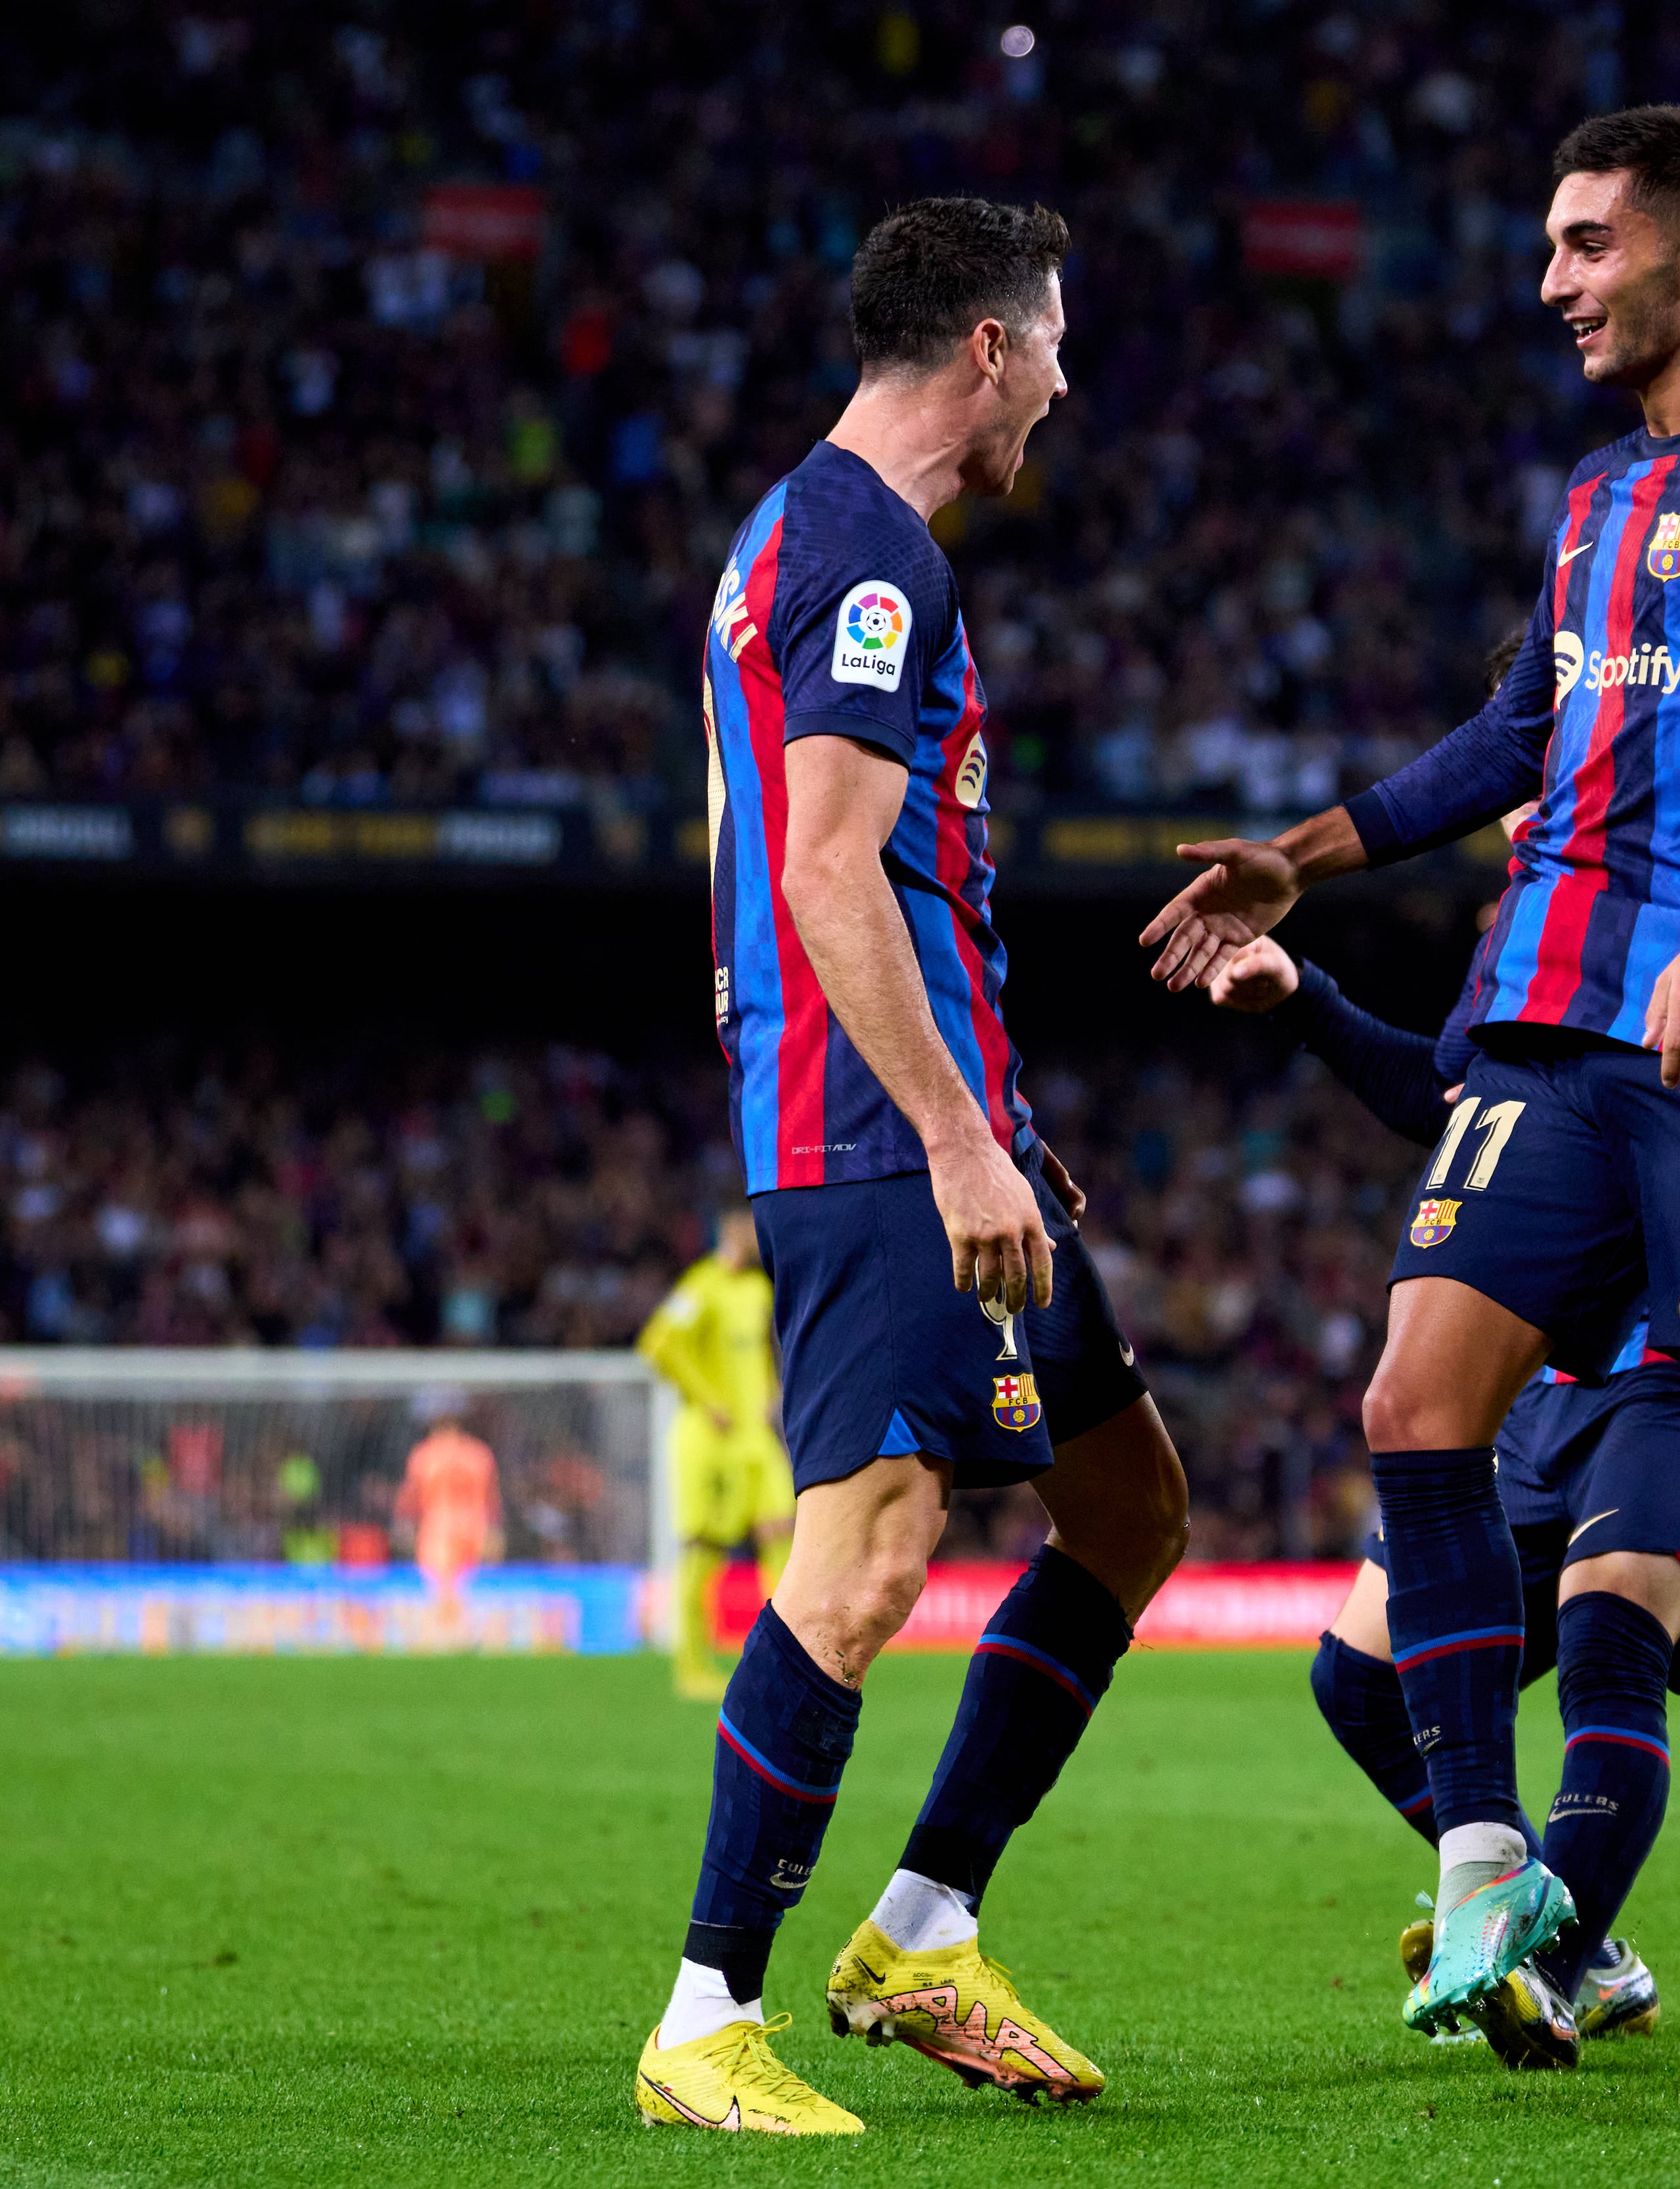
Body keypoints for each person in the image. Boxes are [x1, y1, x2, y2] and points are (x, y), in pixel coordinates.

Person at [1139, 104, 1680, 2113]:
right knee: (1413, 1404)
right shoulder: (1590, 495)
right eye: (1552, 245)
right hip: (1538, 1025)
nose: (1553, 281)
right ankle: (1488, 1859)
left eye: (1587, 245)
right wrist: (1303, 858)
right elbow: (1514, 735)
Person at [633, 196, 1191, 2136]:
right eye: (1051, 342)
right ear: (982, 349)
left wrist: (1002, 1128)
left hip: (939, 1122)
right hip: (873, 1136)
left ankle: (923, 1927)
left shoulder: (813, 532)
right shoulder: (869, 555)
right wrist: (957, 1140)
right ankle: (707, 2011)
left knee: (1125, 1505)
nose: (1064, 379)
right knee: (866, 1560)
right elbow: (822, 868)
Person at [1206, 886, 1680, 2070]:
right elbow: (1450, 1110)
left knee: (1611, 1631)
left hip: (1666, 1367)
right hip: (1528, 1378)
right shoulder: (1527, 928)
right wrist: (1307, 999)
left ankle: (1552, 1959)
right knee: (1358, 1680)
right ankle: (1566, 1920)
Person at [638, 1203, 796, 1702]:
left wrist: (769, 1391)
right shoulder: (701, 1285)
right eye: (751, 1224)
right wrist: (710, 1401)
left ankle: (791, 1657)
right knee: (705, 1549)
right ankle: (690, 1666)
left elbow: (758, 1353)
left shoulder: (757, 1289)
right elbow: (657, 1343)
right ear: (731, 1231)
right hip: (708, 1438)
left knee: (784, 1528)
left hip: (754, 1438)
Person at [395, 1408, 499, 1621]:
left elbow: (411, 1496)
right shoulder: (478, 1454)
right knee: (465, 1588)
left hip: (438, 1528)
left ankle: (447, 1636)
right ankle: (465, 1633)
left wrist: (403, 1523)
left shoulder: (425, 1455)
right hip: (473, 1527)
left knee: (440, 1588)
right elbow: (491, 1499)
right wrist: (493, 1531)